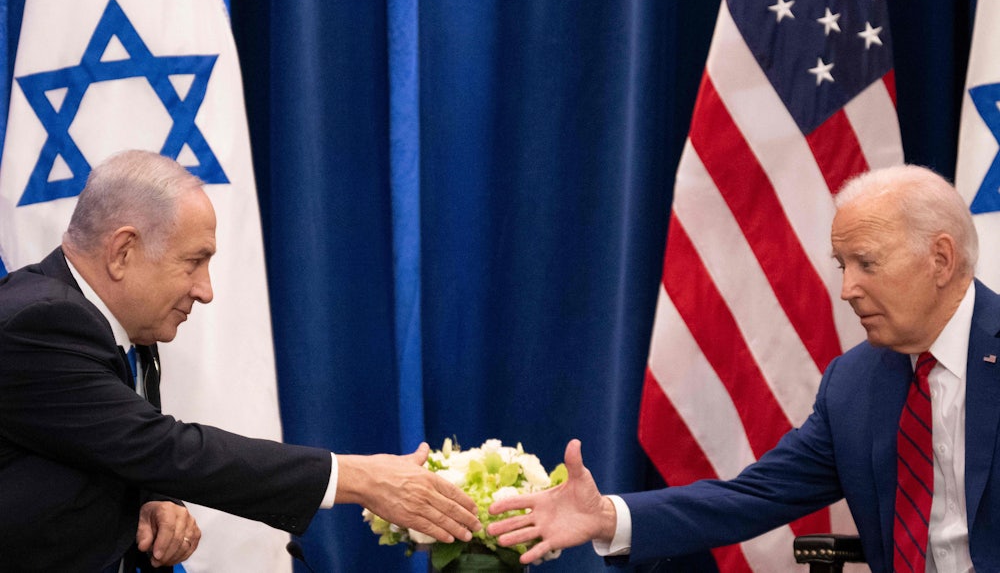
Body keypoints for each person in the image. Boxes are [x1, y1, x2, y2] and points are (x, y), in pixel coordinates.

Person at [488, 164, 1000, 573]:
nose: (847, 289)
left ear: (940, 259)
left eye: (867, 263)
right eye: (843, 266)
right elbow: (750, 497)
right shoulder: (855, 385)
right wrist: (607, 518)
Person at [0, 150, 481, 572]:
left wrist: (150, 499)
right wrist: (359, 478)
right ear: (123, 251)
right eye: (193, 262)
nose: (205, 291)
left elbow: (103, 445)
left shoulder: (118, 327)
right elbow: (160, 446)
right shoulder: (41, 322)